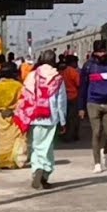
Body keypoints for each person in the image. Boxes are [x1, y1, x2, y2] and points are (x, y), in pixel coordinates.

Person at [14, 50, 67, 190]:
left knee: (36, 146)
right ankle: (45, 173)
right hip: (51, 117)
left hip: (33, 116)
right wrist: (63, 121)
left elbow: (25, 94)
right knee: (47, 146)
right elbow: (61, 101)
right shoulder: (57, 77)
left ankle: (37, 168)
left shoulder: (32, 75)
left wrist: (23, 114)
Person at [79, 40, 107, 173]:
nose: (102, 54)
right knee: (96, 133)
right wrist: (81, 107)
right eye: (99, 52)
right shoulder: (88, 67)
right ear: (94, 52)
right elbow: (83, 88)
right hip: (93, 103)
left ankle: (105, 152)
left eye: (103, 51)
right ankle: (97, 163)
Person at [0, 74, 27, 169]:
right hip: (14, 115)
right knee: (14, 138)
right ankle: (14, 161)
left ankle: (2, 161)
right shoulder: (18, 86)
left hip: (0, 116)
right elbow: (24, 101)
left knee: (3, 140)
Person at [60, 54, 82, 141]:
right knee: (73, 118)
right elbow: (79, 84)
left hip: (64, 97)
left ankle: (65, 133)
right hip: (74, 96)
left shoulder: (62, 71)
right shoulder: (73, 72)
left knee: (66, 117)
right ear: (73, 62)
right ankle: (72, 135)